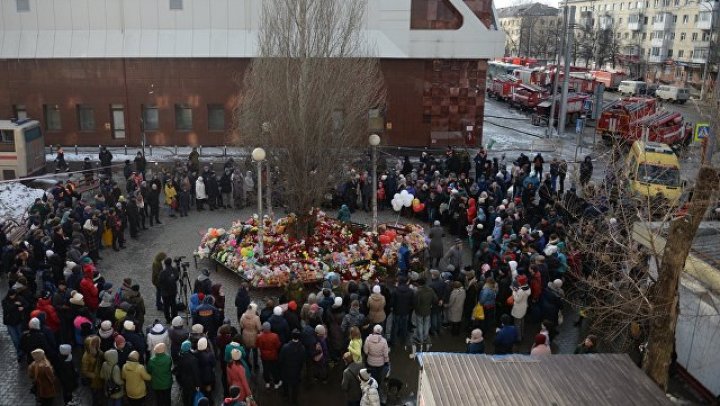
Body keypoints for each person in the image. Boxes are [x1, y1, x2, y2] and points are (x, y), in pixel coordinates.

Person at [410, 277, 437, 358]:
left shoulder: (418, 291)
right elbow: (435, 299)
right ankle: (425, 337)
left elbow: (416, 302)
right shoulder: (431, 290)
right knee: (426, 324)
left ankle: (420, 339)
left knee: (420, 324)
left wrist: (416, 309)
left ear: (419, 284)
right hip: (428, 310)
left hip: (419, 311)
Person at [279, 330, 305, 406]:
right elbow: (303, 360)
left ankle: (286, 395)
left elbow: (281, 359)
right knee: (295, 387)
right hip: (296, 371)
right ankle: (294, 400)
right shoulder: (302, 348)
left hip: (286, 369)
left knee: (286, 384)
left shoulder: (285, 347)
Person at [363, 324, 389, 394]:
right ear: (381, 332)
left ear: (373, 331)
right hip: (380, 363)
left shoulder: (368, 339)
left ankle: (372, 387)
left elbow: (365, 351)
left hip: (370, 362)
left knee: (372, 375)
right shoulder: (384, 341)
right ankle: (377, 387)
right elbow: (386, 354)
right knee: (379, 375)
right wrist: (386, 362)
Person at [256, 321, 282, 389]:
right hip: (273, 355)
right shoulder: (275, 336)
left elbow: (258, 345)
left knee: (265, 369)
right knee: (274, 369)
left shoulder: (259, 336)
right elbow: (278, 345)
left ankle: (267, 382)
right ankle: (276, 383)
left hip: (264, 356)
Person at [176, 340, 200, 406]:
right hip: (191, 382)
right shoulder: (192, 359)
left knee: (185, 395)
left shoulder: (180, 355)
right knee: (192, 396)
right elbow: (196, 373)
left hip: (183, 380)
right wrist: (198, 384)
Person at [158, 257, 179, 323]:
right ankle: (174, 318)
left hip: (165, 292)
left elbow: (160, 281)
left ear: (164, 263)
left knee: (166, 306)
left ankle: (168, 319)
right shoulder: (174, 270)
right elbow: (177, 277)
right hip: (173, 291)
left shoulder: (162, 272)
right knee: (173, 304)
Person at [510, 274, 531, 341]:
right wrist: (517, 290)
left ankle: (518, 338)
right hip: (524, 306)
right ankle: (522, 335)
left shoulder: (521, 291)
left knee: (517, 324)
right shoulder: (527, 287)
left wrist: (513, 291)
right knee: (522, 321)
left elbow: (517, 299)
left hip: (518, 308)